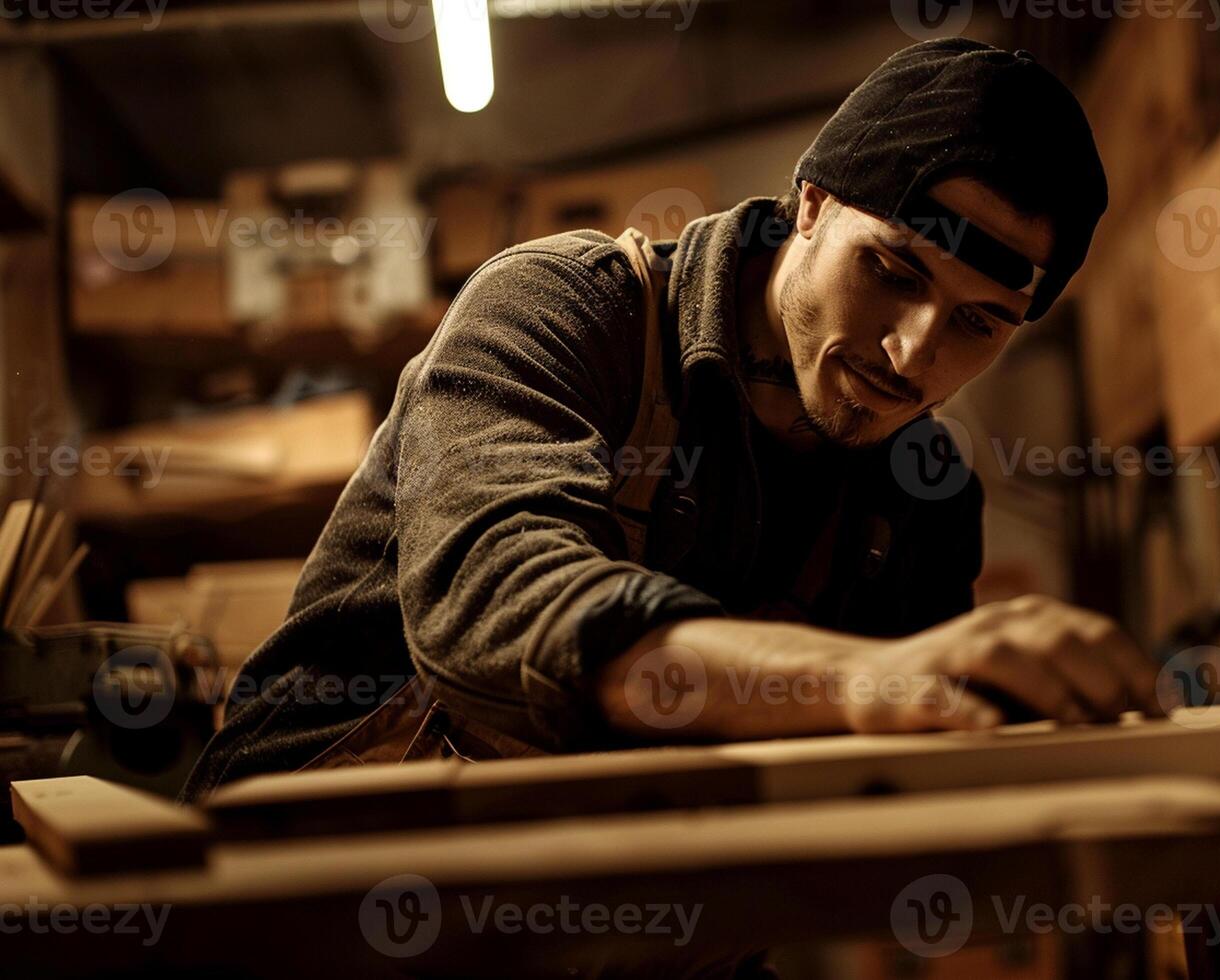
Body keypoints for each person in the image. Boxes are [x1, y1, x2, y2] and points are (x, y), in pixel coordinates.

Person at [180, 37, 1166, 803]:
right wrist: (866, 682)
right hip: (319, 870)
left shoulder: (923, 493)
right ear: (810, 206)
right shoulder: (566, 308)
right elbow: (493, 604)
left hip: (617, 898)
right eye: (893, 271)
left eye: (977, 321)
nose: (913, 353)